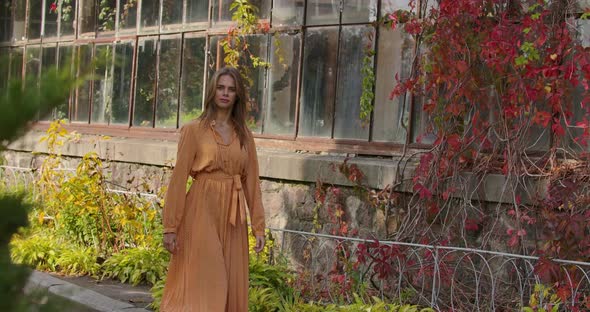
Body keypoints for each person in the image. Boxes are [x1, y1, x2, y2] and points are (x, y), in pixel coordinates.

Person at [160, 67, 266, 311]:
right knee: (207, 279)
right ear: (212, 91)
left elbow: (252, 183)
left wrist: (258, 226)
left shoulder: (244, 135)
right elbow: (178, 179)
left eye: (231, 89)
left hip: (233, 216)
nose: (225, 93)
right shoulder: (193, 130)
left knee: (230, 279)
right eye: (221, 88)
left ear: (237, 95)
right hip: (201, 210)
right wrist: (170, 226)